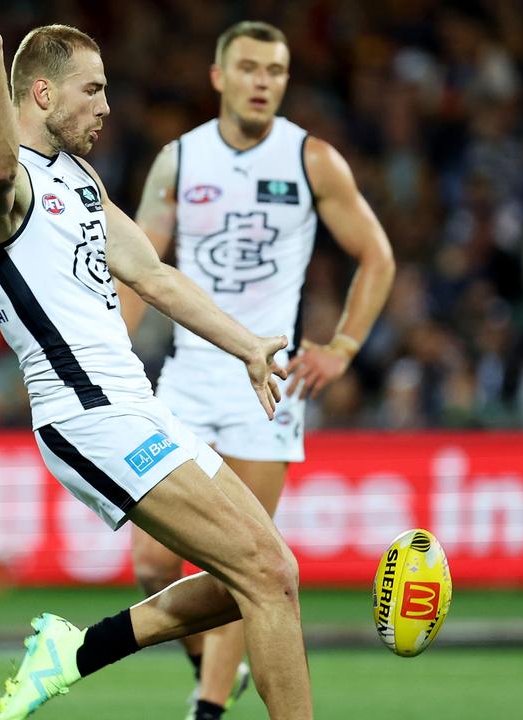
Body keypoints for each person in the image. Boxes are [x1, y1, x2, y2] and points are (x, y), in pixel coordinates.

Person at [0, 2, 311, 718]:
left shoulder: (81, 182)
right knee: (268, 573)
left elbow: (154, 276)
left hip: (139, 406)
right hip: (87, 415)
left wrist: (247, 348)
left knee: (271, 572)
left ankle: (77, 653)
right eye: (93, 90)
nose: (108, 107)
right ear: (43, 94)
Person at [121, 21, 395, 719]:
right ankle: (217, 670)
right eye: (248, 67)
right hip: (185, 375)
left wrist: (343, 347)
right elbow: (136, 270)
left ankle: (207, 709)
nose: (263, 81)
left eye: (275, 70)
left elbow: (377, 255)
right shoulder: (179, 161)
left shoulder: (312, 160)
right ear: (219, 77)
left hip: (266, 385)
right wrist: (111, 359)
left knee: (241, 561)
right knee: (152, 562)